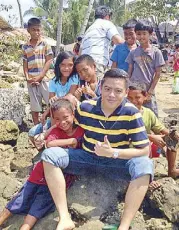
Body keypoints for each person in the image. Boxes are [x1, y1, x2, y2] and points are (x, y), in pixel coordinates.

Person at [41, 68, 153, 230]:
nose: (111, 95)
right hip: (86, 159)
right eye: (107, 89)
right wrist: (44, 133)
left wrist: (113, 152)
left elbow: (144, 150)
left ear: (126, 92)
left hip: (117, 164)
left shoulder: (131, 113)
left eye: (118, 90)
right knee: (50, 155)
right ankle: (65, 218)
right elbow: (64, 120)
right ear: (100, 87)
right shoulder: (86, 108)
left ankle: (124, 225)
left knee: (145, 165)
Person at [0, 99, 84, 230]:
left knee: (39, 206)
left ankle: (25, 228)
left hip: (59, 180)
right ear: (52, 120)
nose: (62, 122)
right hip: (39, 174)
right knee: (20, 200)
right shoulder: (56, 131)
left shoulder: (82, 131)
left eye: (65, 117)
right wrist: (71, 141)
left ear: (73, 114)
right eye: (57, 119)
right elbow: (50, 144)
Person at [127, 82, 179, 178]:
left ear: (145, 96)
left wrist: (173, 135)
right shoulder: (124, 113)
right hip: (129, 147)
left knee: (173, 138)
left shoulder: (148, 113)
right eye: (129, 98)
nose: (133, 101)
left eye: (137, 97)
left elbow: (162, 129)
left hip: (147, 145)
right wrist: (151, 137)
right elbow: (126, 134)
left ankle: (172, 170)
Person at [126, 19, 165, 117]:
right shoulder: (133, 53)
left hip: (147, 89)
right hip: (133, 89)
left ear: (150, 34)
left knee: (151, 113)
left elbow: (157, 74)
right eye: (138, 34)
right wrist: (126, 86)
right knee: (133, 112)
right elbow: (129, 71)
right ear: (135, 34)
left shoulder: (156, 52)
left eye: (144, 33)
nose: (141, 36)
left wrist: (150, 91)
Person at [22, 18, 53, 125]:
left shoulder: (45, 44)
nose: (36, 32)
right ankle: (36, 128)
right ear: (28, 30)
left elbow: (49, 61)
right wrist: (27, 77)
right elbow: (25, 64)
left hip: (44, 79)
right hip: (31, 81)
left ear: (41, 29)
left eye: (38, 30)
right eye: (33, 30)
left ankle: (51, 125)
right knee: (35, 107)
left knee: (51, 103)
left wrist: (40, 76)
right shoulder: (25, 46)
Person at [80, 5, 124, 80]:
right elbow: (119, 41)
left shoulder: (89, 29)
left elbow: (80, 51)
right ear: (107, 16)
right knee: (98, 89)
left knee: (86, 88)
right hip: (97, 63)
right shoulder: (106, 23)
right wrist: (134, 45)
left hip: (83, 64)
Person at [41, 51, 79, 123]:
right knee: (32, 132)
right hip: (57, 114)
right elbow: (51, 101)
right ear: (58, 65)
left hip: (69, 110)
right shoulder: (53, 82)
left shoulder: (74, 77)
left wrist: (57, 99)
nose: (66, 68)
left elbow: (70, 95)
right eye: (63, 65)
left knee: (70, 99)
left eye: (70, 65)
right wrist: (46, 112)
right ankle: (54, 130)